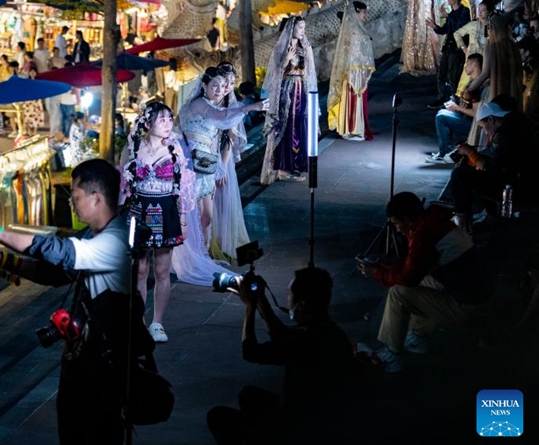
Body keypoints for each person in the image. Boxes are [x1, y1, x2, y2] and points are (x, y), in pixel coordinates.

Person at [0, 159, 154, 445]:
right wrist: (5, 260)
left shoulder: (114, 240)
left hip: (105, 368)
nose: (71, 204)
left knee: (94, 434)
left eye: (75, 196)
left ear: (96, 198)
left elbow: (59, 252)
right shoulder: (97, 234)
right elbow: (56, 274)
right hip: (85, 358)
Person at [206, 268, 360, 443]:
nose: (287, 299)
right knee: (248, 394)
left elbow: (251, 352)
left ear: (301, 305)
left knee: (217, 417)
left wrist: (250, 308)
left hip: (302, 428)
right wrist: (261, 299)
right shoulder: (329, 331)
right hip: (319, 416)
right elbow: (282, 336)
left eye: (289, 294)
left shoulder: (306, 343)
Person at [358, 192, 492, 373]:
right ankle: (418, 336)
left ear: (407, 219)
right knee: (421, 282)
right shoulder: (436, 222)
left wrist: (377, 274)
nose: (397, 230)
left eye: (396, 223)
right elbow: (419, 268)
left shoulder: (422, 235)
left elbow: (409, 278)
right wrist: (391, 267)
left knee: (398, 293)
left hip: (468, 309)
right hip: (480, 299)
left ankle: (392, 354)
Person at [120, 102, 195, 343]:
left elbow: (183, 186)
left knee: (162, 270)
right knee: (140, 269)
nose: (167, 123)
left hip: (166, 212)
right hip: (139, 212)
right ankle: (139, 321)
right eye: (162, 119)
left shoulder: (175, 147)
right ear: (148, 122)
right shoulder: (133, 147)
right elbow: (122, 184)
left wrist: (183, 219)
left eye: (169, 119)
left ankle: (158, 323)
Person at [180, 67, 267, 244]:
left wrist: (219, 165)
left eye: (223, 85)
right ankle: (195, 249)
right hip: (192, 160)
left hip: (207, 160)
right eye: (215, 85)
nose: (220, 90)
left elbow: (224, 130)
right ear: (204, 85)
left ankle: (205, 249)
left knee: (208, 216)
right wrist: (249, 107)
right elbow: (219, 116)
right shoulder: (199, 103)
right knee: (194, 212)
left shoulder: (212, 104)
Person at [449, 100, 536, 231]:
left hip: (519, 188)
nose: (484, 131)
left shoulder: (506, 134)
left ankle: (462, 223)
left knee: (460, 174)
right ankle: (491, 216)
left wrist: (469, 152)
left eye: (483, 126)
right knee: (472, 169)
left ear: (491, 119)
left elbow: (492, 168)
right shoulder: (515, 125)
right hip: (521, 181)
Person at [260, 17, 316, 184]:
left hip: (301, 90)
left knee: (299, 124)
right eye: (300, 28)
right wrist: (286, 59)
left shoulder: (305, 47)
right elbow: (274, 73)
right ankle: (284, 168)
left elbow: (310, 72)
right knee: (286, 125)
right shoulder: (280, 48)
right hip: (287, 91)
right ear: (291, 29)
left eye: (303, 28)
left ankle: (297, 164)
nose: (302, 31)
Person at [212, 63, 251, 262]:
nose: (227, 87)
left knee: (222, 200)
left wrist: (222, 167)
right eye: (225, 82)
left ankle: (223, 243)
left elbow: (230, 139)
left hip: (222, 159)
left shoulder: (233, 106)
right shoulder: (208, 102)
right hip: (205, 156)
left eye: (232, 83)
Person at [464, 14, 523, 145]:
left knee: (489, 123)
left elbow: (484, 74)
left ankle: (485, 149)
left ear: (493, 29)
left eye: (489, 29)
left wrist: (469, 89)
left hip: (495, 92)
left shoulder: (491, 48)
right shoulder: (514, 48)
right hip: (512, 92)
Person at [328, 1, 375, 141]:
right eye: (363, 12)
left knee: (354, 98)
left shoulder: (353, 28)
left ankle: (351, 127)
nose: (365, 15)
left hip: (354, 69)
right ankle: (353, 128)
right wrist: (365, 60)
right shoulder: (354, 30)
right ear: (357, 12)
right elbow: (355, 52)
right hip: (355, 69)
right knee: (354, 97)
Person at [426, 53, 486, 163]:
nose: (465, 66)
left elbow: (475, 113)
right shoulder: (473, 81)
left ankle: (445, 152)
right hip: (466, 118)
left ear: (474, 65)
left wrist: (457, 108)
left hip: (474, 125)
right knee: (442, 113)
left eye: (467, 63)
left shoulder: (477, 85)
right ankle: (447, 149)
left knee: (441, 117)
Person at [428, 0, 471, 108]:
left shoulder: (464, 11)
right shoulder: (452, 13)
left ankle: (455, 101)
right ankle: (441, 98)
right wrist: (435, 27)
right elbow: (445, 30)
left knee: (453, 76)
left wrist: (447, 16)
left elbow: (460, 28)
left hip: (457, 49)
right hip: (448, 47)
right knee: (441, 74)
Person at [401, 0, 439, 75]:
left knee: (434, 41)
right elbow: (411, 10)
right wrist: (413, 24)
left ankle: (434, 63)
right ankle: (421, 64)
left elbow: (433, 6)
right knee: (420, 42)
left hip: (429, 20)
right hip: (419, 21)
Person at [453, 0, 494, 95]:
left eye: (483, 10)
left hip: (483, 62)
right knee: (464, 83)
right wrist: (463, 47)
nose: (480, 12)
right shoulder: (472, 25)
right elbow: (457, 33)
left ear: (489, 12)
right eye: (479, 10)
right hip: (471, 60)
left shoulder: (491, 27)